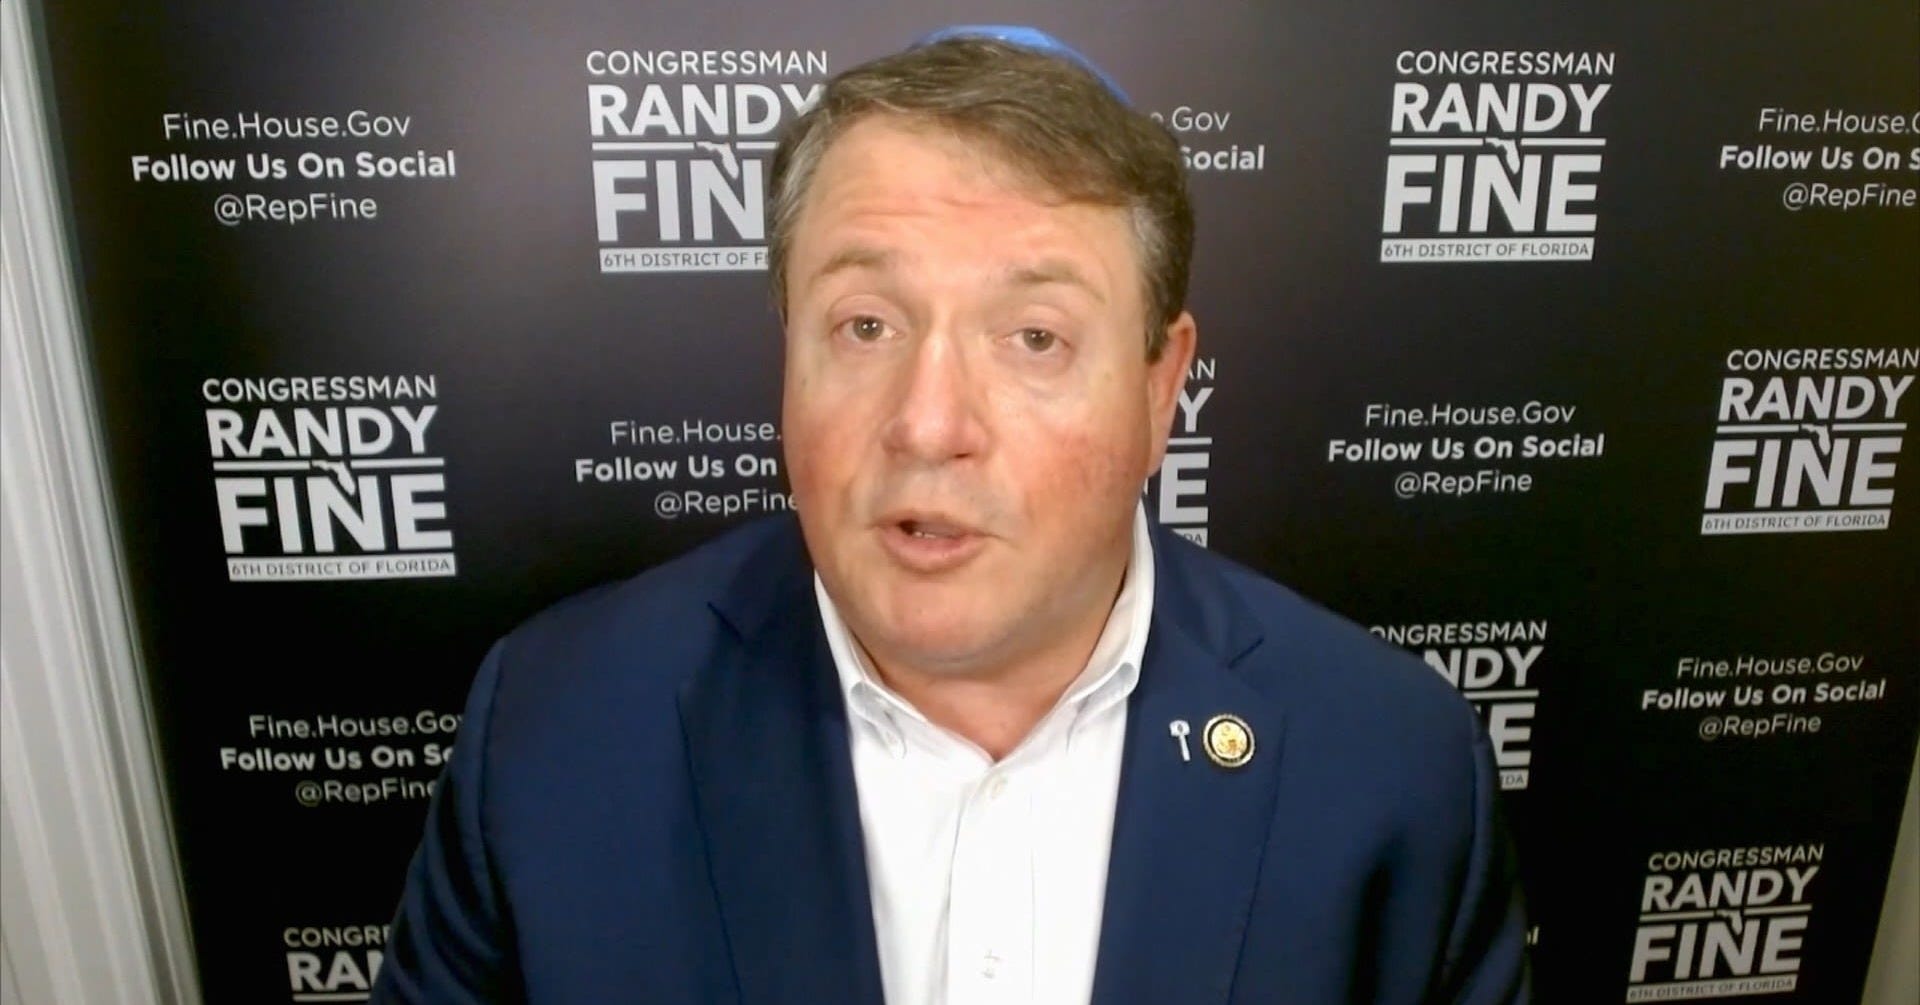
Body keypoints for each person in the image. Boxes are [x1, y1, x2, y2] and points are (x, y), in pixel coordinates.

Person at [372, 26, 1530, 1004]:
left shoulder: (1392, 768)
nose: (929, 425)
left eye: (1034, 338)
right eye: (866, 325)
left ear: (1159, 387)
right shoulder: (554, 736)